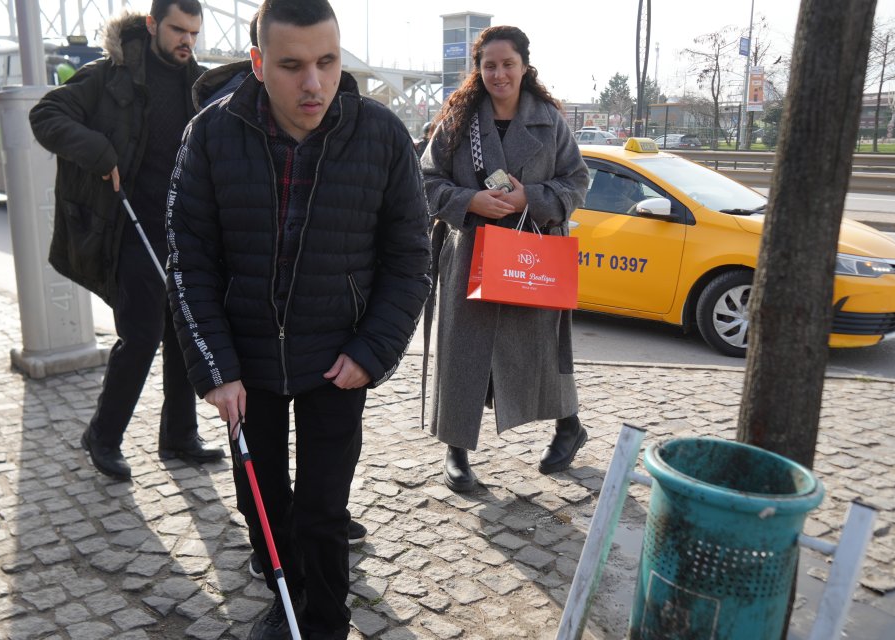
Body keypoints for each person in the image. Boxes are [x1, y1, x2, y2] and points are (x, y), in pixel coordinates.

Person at [166, 0, 431, 636]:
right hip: (244, 363)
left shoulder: (382, 136)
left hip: (337, 358)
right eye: (290, 66)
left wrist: (372, 351)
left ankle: (325, 619)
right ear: (257, 63)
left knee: (322, 505)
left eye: (327, 62)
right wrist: (215, 368)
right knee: (262, 500)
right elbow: (188, 261)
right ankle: (283, 594)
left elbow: (411, 260)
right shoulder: (209, 134)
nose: (313, 84)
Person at [30, 0, 223, 480]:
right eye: (179, 30)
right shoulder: (108, 75)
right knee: (140, 337)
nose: (187, 42)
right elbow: (45, 115)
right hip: (129, 227)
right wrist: (98, 151)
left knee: (184, 336)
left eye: (195, 34)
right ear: (153, 24)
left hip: (184, 230)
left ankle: (179, 435)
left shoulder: (197, 83)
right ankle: (103, 434)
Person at [420, 25, 590, 493]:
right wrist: (469, 202)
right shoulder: (457, 121)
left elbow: (577, 181)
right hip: (470, 253)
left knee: (541, 350)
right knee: (464, 355)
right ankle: (455, 449)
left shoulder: (549, 121)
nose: (498, 74)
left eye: (507, 64)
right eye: (489, 65)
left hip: (530, 255)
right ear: (478, 69)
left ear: (523, 66)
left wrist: (527, 199)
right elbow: (428, 181)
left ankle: (569, 426)